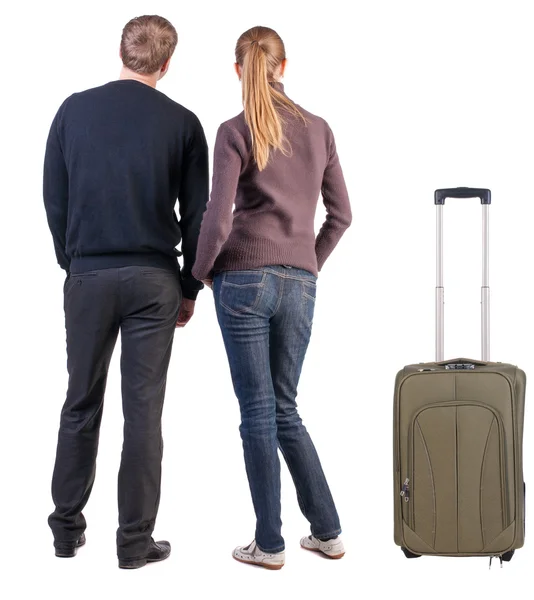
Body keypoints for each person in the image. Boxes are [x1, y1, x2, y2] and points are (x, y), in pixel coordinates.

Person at [43, 15, 208, 569]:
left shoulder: (72, 111)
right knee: (143, 413)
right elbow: (198, 218)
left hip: (88, 276)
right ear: (166, 64)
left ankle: (66, 530)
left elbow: (54, 199)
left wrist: (75, 264)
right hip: (153, 282)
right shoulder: (183, 124)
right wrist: (189, 287)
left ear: (121, 51)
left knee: (79, 402)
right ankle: (135, 543)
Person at [192, 25, 352, 570]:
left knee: (259, 410)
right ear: (285, 66)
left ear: (239, 71)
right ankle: (327, 532)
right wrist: (306, 265)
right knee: (285, 407)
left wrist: (200, 273)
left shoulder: (234, 129)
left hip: (243, 281)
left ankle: (271, 544)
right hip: (300, 284)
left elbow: (218, 218)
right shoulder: (320, 129)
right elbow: (342, 216)